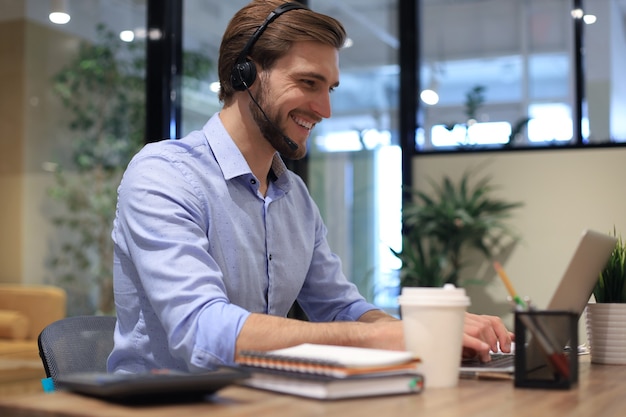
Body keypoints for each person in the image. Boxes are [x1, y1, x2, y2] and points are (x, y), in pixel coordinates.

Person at [108, 0, 511, 374]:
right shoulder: (164, 174)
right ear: (244, 74)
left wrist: (428, 335)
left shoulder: (293, 196)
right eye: (308, 82)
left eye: (329, 88)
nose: (325, 110)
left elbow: (340, 307)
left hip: (263, 403)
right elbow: (202, 328)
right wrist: (375, 337)